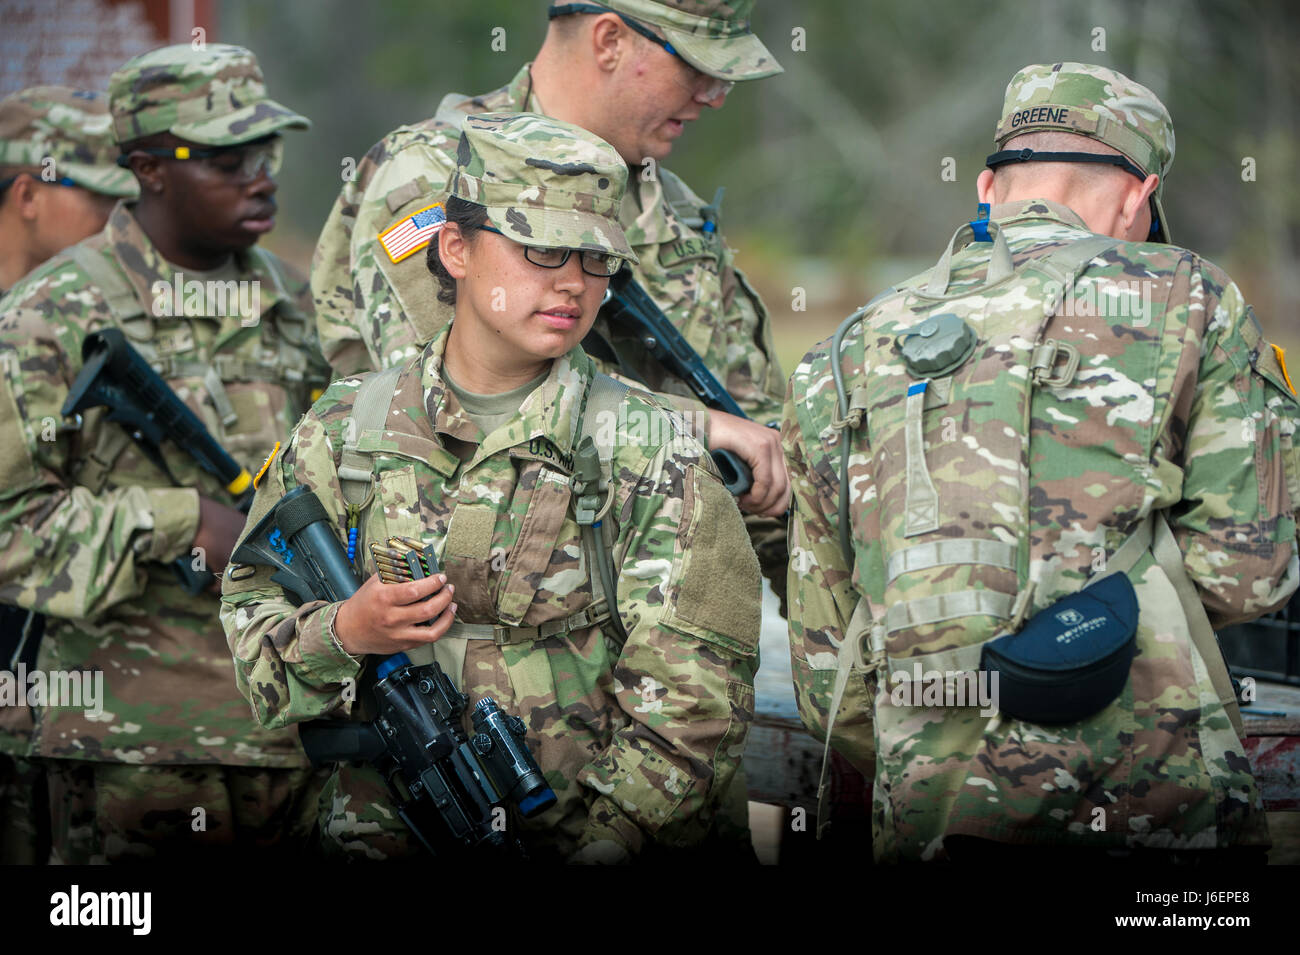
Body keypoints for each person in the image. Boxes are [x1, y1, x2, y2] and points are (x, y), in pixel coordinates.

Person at [783, 62, 1300, 862]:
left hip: (929, 806)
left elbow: (828, 675)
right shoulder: (1190, 297)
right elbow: (1250, 574)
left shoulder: (841, 353)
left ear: (988, 187)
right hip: (1155, 790)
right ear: (1138, 196)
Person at [222, 112, 762, 863]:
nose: (572, 281)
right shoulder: (346, 427)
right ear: (455, 247)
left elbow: (697, 704)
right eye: (541, 248)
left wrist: (608, 844)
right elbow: (255, 644)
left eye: (595, 259)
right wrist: (346, 632)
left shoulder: (649, 446)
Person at [310, 0, 791, 603]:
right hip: (471, 614)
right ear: (611, 40)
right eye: (697, 66)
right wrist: (697, 427)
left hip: (659, 619)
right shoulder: (437, 175)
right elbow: (459, 403)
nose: (715, 95)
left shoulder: (671, 210)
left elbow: (755, 439)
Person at [0, 43, 332, 863]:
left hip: (293, 738)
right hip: (134, 749)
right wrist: (184, 523)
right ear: (148, 168)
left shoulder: (296, 305)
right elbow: (12, 532)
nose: (261, 176)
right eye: (225, 157)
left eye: (266, 151)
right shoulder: (49, 314)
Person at [0, 85, 139, 865]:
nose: (118, 215)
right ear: (27, 192)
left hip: (64, 701)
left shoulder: (88, 325)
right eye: (96, 192)